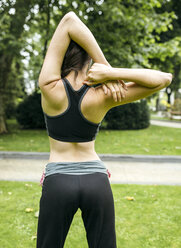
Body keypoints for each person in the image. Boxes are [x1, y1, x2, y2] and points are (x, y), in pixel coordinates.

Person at [37, 11, 172, 248]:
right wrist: (110, 72)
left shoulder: (49, 87)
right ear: (89, 60)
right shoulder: (104, 95)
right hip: (96, 180)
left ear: (61, 57)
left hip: (58, 179)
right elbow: (164, 79)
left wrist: (107, 73)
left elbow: (69, 20)